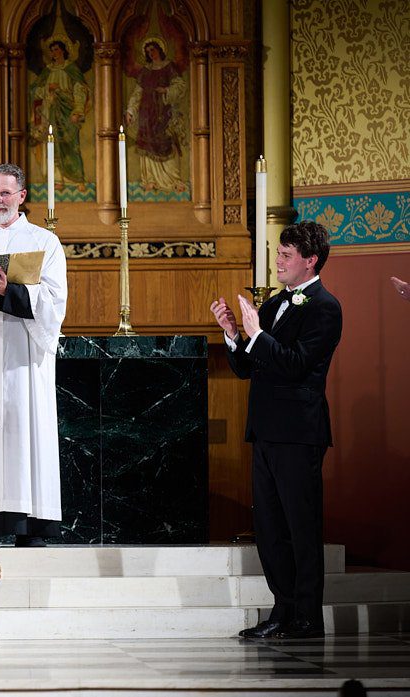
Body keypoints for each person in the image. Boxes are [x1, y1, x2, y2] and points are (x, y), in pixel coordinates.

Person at [210, 220, 343, 640]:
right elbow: (248, 367)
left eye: (287, 255)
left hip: (299, 432)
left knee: (300, 527)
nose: (279, 261)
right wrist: (234, 334)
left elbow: (295, 363)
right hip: (265, 429)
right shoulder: (272, 305)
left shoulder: (326, 307)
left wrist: (256, 334)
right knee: (269, 527)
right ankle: (282, 611)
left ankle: (307, 617)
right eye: (279, 253)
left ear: (310, 260)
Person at [0, 163, 67, 547]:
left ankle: (29, 524)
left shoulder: (44, 242)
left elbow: (56, 302)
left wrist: (9, 292)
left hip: (24, 354)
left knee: (23, 427)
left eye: (5, 193)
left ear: (21, 196)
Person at [124, 38, 187, 193]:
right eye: (148, 51)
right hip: (147, 114)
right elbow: (137, 93)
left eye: (153, 50)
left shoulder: (169, 68)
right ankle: (150, 180)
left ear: (160, 49)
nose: (151, 53)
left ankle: (174, 180)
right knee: (147, 145)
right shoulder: (145, 71)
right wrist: (131, 111)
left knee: (167, 143)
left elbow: (180, 86)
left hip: (164, 112)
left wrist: (166, 91)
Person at [30, 40, 91, 189]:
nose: (54, 53)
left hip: (68, 112)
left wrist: (78, 110)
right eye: (52, 50)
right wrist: (47, 89)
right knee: (53, 143)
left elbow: (80, 89)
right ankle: (58, 179)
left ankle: (77, 179)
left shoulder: (71, 69)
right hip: (51, 111)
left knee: (71, 144)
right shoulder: (48, 71)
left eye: (56, 49)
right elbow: (34, 91)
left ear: (64, 51)